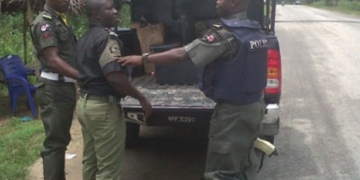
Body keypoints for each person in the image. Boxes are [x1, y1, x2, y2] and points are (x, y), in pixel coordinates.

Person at [118, 0, 268, 179]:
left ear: (235, 3)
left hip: (232, 115)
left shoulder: (226, 36)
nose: (217, 1)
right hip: (254, 107)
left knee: (222, 171)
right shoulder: (255, 31)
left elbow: (182, 54)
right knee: (244, 164)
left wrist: (143, 58)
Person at [75, 0, 152, 179]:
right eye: (109, 9)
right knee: (109, 169)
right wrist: (141, 98)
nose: (115, 11)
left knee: (91, 161)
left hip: (85, 105)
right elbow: (114, 76)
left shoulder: (83, 39)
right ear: (96, 14)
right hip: (103, 109)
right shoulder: (106, 39)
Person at [30, 0, 78, 179]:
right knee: (55, 144)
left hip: (63, 86)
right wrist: (83, 77)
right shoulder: (45, 22)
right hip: (54, 88)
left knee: (61, 140)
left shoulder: (59, 19)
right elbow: (53, 60)